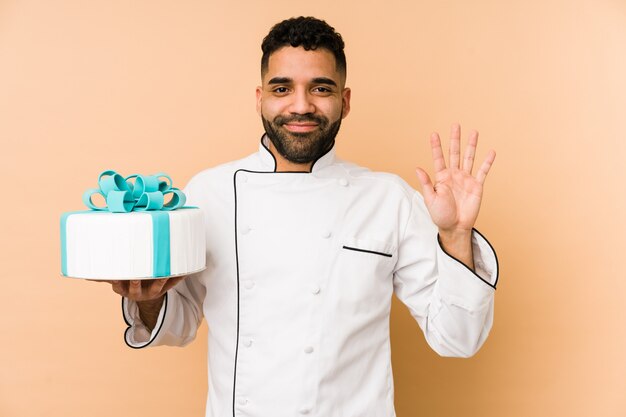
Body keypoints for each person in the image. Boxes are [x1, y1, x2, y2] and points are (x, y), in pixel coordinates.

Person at [106, 16, 498, 417]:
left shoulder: (389, 199)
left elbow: (459, 338)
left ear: (344, 102)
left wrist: (455, 235)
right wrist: (149, 301)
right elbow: (180, 323)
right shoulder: (209, 193)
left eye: (320, 89)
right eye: (282, 88)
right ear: (260, 98)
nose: (300, 106)